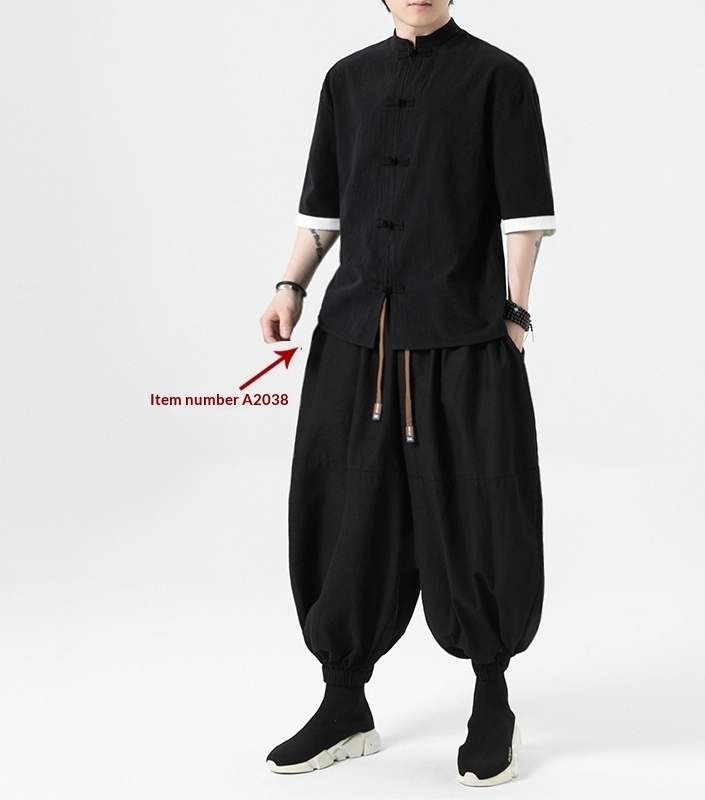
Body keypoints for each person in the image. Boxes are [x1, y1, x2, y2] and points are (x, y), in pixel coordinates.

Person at [259, 0, 556, 787]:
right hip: (355, 339)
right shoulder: (346, 81)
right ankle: (343, 704)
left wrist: (515, 313)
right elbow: (322, 210)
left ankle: (491, 699)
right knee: (345, 510)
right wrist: (291, 286)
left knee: (480, 511)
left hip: (463, 338)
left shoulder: (499, 78)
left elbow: (524, 214)